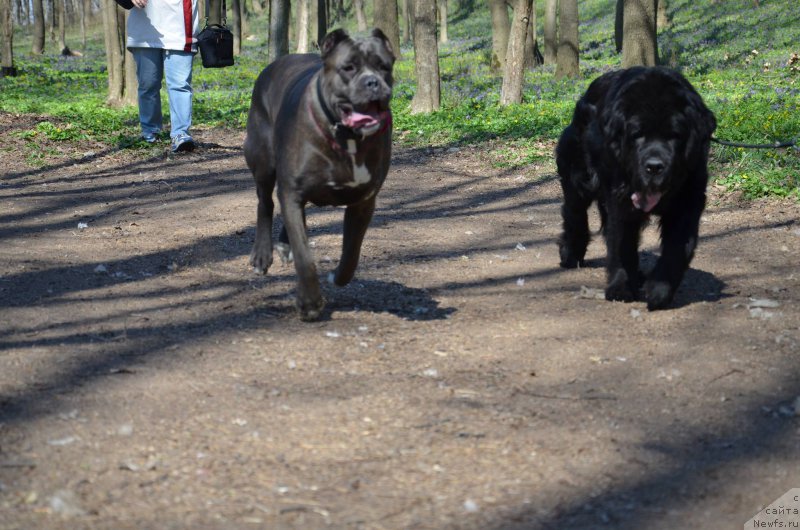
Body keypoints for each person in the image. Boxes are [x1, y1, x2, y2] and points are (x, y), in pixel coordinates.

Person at [127, 0, 199, 153]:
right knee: (148, 85)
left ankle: (181, 134)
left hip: (180, 29)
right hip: (143, 33)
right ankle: (150, 132)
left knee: (180, 85)